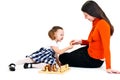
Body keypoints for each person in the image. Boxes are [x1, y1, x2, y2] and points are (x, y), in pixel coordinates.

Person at [59, 0, 120, 74]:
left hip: (94, 60)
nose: (85, 17)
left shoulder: (103, 24)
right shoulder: (96, 22)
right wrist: (81, 41)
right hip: (89, 50)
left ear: (92, 13)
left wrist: (109, 67)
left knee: (62, 57)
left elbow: (106, 47)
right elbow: (95, 40)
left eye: (86, 15)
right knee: (65, 56)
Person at [9, 26, 73, 71]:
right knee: (30, 59)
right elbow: (59, 52)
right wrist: (68, 47)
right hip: (43, 54)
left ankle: (30, 65)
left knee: (49, 66)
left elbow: (56, 55)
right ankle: (13, 64)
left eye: (63, 35)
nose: (63, 36)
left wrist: (59, 64)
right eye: (61, 35)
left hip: (48, 56)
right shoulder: (53, 43)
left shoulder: (56, 44)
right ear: (54, 35)